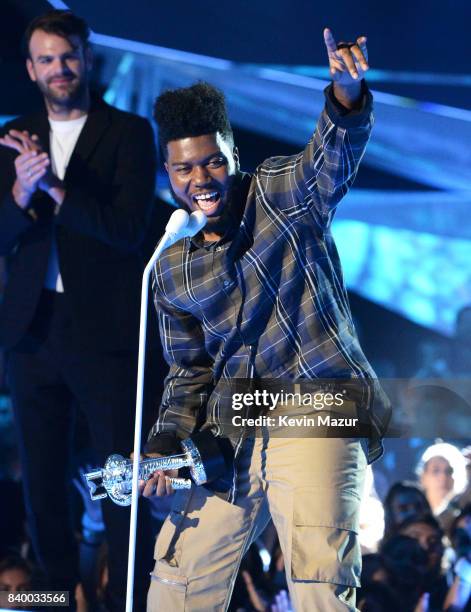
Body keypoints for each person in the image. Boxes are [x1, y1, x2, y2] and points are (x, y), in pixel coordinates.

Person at [142, 28, 390, 611]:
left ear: (231, 153)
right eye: (183, 170)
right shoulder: (171, 265)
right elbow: (188, 375)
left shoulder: (278, 193)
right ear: (168, 173)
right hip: (232, 430)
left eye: (211, 162)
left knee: (317, 581)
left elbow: (329, 161)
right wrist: (166, 441)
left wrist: (344, 95)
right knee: (175, 587)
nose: (199, 180)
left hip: (316, 403)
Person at [0, 9, 160, 611]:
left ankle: (126, 601)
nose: (59, 69)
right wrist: (19, 191)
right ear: (31, 69)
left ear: (86, 59)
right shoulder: (14, 136)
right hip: (31, 331)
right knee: (42, 485)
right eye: (46, 59)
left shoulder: (127, 134)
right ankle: (52, 603)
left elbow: (126, 229)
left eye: (67, 56)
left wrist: (53, 190)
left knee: (121, 478)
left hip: (105, 331)